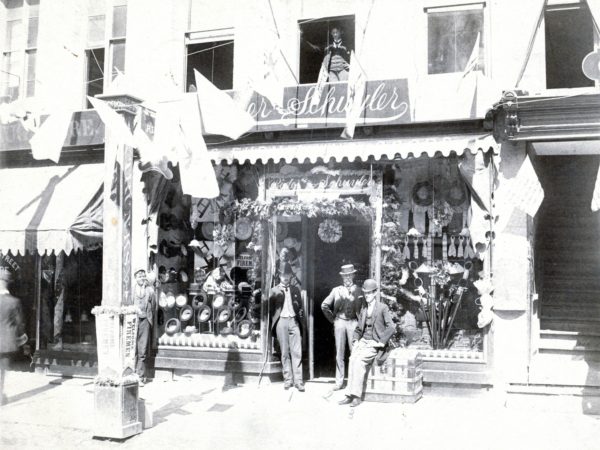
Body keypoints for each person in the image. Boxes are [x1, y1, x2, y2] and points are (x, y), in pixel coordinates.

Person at [338, 279, 395, 407]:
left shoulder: (382, 308)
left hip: (374, 342)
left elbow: (391, 327)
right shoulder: (364, 308)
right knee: (352, 359)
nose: (367, 295)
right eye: (365, 293)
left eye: (369, 293)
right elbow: (359, 328)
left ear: (375, 293)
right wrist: (356, 340)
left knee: (359, 362)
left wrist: (381, 342)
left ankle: (356, 396)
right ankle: (349, 394)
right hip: (363, 341)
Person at [321, 264, 364, 390]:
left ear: (353, 275)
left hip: (353, 323)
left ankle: (353, 382)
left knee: (354, 352)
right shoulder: (336, 290)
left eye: (350, 275)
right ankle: (339, 382)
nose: (348, 278)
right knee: (339, 353)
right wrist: (333, 320)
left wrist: (360, 322)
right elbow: (324, 305)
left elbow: (363, 309)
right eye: (345, 276)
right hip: (339, 322)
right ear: (342, 277)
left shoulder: (359, 290)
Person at [270, 263, 305, 391]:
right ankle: (288, 380)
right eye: (283, 274)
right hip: (281, 322)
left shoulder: (296, 289)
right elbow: (271, 310)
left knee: (297, 351)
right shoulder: (274, 291)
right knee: (284, 352)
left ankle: (299, 381)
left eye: (287, 274)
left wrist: (298, 315)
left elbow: (299, 306)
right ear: (279, 275)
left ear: (291, 275)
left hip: (293, 321)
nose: (285, 277)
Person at [0, 266, 25, 406]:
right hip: (6, 343)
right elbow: (20, 323)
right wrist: (22, 337)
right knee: (2, 371)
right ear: (8, 282)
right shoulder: (14, 302)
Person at [133, 269, 155, 386]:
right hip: (133, 320)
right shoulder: (131, 291)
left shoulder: (150, 291)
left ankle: (140, 377)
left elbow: (153, 307)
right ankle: (131, 374)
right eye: (139, 276)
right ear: (135, 278)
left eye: (143, 276)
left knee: (142, 348)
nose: (141, 278)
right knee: (132, 347)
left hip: (145, 320)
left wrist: (148, 319)